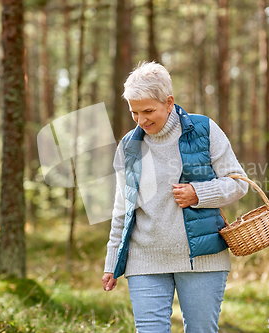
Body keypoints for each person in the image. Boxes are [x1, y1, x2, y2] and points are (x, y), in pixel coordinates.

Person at [102, 61, 248, 333]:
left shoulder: (204, 130)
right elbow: (122, 207)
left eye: (148, 111)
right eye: (134, 112)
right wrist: (112, 261)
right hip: (144, 258)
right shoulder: (128, 146)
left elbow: (238, 184)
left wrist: (198, 193)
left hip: (202, 258)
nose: (141, 120)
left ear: (169, 102)